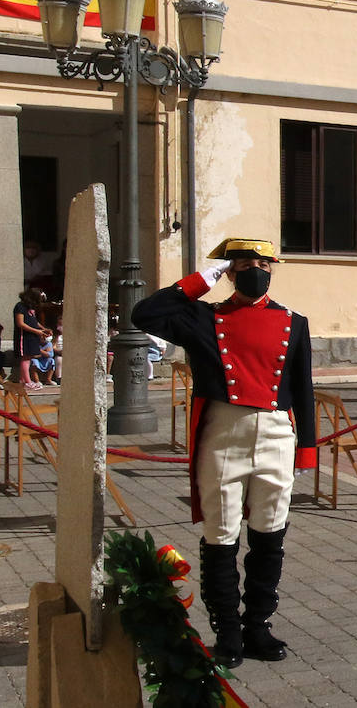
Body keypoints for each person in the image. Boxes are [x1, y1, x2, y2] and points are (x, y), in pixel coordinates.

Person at [133, 237, 316, 667]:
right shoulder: (202, 316)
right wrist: (200, 280)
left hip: (275, 435)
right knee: (221, 537)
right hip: (223, 435)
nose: (255, 268)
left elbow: (303, 390)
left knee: (270, 537)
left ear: (273, 267)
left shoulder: (295, 321)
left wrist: (306, 451)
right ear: (230, 271)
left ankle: (258, 626)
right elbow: (146, 313)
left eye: (262, 262)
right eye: (243, 263)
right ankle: (228, 632)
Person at [13, 288, 51, 390]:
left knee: (29, 358)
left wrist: (43, 329)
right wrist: (36, 331)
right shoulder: (20, 306)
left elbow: (34, 321)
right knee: (25, 358)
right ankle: (28, 382)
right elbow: (20, 323)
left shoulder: (30, 308)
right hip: (23, 337)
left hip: (32, 337)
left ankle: (23, 380)